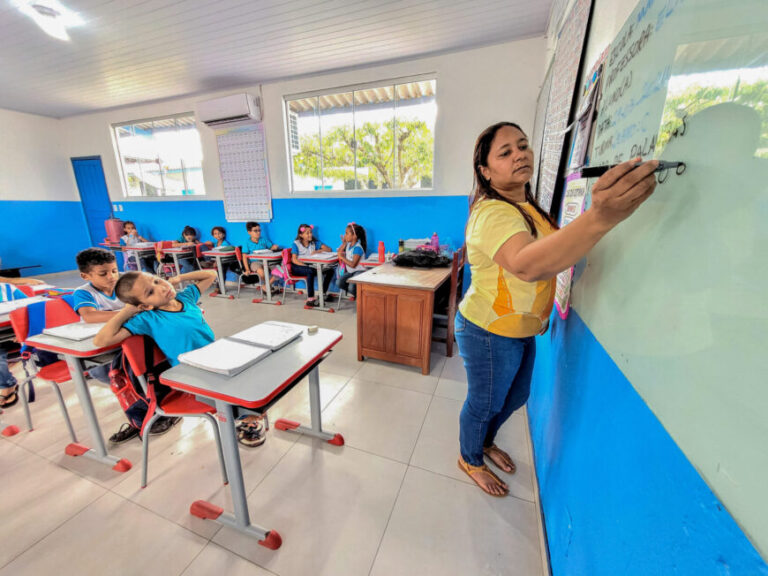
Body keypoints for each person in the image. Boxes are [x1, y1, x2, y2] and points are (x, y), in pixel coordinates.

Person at [455, 122, 658, 496]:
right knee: (485, 403)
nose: (519, 155)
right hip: (487, 330)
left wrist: (541, 311)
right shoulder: (491, 213)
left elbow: (549, 259)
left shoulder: (526, 206)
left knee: (515, 398)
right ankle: (470, 458)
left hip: (520, 329)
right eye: (505, 152)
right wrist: (600, 216)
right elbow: (526, 265)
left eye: (523, 146)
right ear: (485, 171)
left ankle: (485, 442)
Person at [93, 269, 266, 447]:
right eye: (150, 292)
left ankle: (246, 411)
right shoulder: (148, 318)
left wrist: (178, 279)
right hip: (190, 373)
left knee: (255, 366)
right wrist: (128, 310)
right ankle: (242, 419)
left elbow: (211, 274)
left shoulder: (185, 298)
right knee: (238, 387)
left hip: (215, 360)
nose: (161, 288)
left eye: (157, 281)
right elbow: (101, 340)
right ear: (145, 306)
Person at [72, 248, 177, 442]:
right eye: (103, 273)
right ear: (85, 275)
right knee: (126, 381)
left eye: (114, 270)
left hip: (131, 341)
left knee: (145, 374)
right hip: (105, 347)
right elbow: (90, 316)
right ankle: (143, 418)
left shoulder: (124, 284)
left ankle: (155, 412)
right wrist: (130, 312)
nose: (111, 276)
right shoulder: (83, 293)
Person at [0, 275, 45, 408]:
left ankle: (7, 385)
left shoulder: (8, 289)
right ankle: (6, 381)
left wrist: (21, 330)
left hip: (13, 338)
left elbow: (31, 311)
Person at [290, 224, 334, 307]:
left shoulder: (314, 243)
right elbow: (294, 260)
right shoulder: (296, 244)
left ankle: (322, 294)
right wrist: (305, 265)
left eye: (311, 232)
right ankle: (310, 298)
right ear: (301, 235)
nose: (310, 234)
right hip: (297, 267)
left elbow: (329, 249)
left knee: (330, 270)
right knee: (310, 271)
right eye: (307, 233)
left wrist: (318, 251)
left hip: (310, 266)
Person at [241, 222, 281, 292]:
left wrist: (274, 247)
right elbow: (244, 257)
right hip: (255, 262)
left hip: (267, 261)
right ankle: (268, 286)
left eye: (259, 230)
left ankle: (266, 286)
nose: (258, 232)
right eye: (255, 231)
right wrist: (247, 269)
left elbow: (271, 247)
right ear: (249, 232)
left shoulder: (263, 239)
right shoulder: (246, 242)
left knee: (279, 270)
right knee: (261, 272)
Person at [336, 222, 367, 297]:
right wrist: (344, 244)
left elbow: (353, 265)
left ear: (354, 236)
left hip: (359, 271)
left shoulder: (357, 248)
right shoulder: (348, 245)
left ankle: (360, 297)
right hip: (351, 272)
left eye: (347, 233)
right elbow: (339, 252)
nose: (345, 235)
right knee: (338, 282)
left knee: (351, 287)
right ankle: (355, 293)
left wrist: (342, 257)